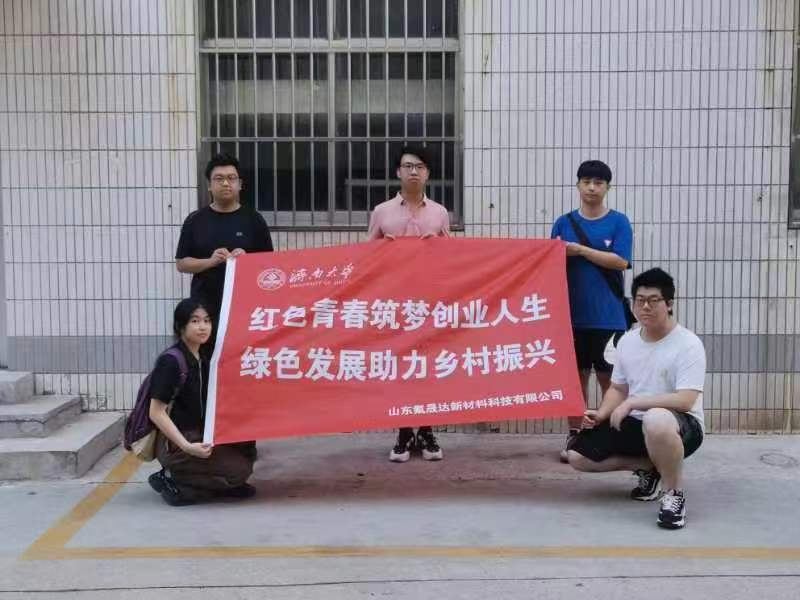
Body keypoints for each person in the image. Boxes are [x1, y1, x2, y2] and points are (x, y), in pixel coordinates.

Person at [566, 268, 706, 530]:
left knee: (656, 419)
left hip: (681, 427)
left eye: (653, 300)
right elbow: (618, 388)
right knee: (576, 455)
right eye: (640, 300)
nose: (645, 307)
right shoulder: (628, 341)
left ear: (669, 304)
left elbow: (685, 401)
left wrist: (632, 403)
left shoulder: (688, 344)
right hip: (638, 423)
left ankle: (673, 495)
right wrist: (602, 413)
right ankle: (651, 467)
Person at [367, 144, 450, 463]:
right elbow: (365, 257)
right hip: (394, 303)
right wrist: (383, 249)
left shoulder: (439, 212)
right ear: (398, 172)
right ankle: (404, 431)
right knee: (400, 366)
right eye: (407, 166)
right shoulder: (382, 211)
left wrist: (438, 246)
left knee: (428, 367)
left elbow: (453, 258)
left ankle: (426, 430)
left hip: (429, 303)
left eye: (420, 166)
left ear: (428, 173)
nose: (413, 171)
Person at [550, 160, 633, 462]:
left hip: (609, 317)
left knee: (611, 380)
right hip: (571, 317)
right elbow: (548, 262)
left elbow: (621, 261)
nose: (592, 187)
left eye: (598, 182)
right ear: (578, 186)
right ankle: (577, 434)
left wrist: (581, 250)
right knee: (576, 379)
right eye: (586, 181)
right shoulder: (563, 223)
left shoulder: (619, 222)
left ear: (608, 188)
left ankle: (612, 434)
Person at [147, 298, 256, 506]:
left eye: (207, 321)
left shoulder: (203, 357)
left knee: (247, 450)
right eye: (195, 321)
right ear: (180, 326)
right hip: (178, 441)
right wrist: (187, 446)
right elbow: (156, 412)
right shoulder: (171, 361)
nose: (202, 327)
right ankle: (172, 477)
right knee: (239, 471)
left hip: (200, 432)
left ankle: (216, 481)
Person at [176, 153, 274, 326]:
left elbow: (270, 265)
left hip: (246, 305)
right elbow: (182, 264)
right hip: (205, 308)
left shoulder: (254, 220)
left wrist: (247, 261)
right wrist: (211, 261)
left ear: (240, 184)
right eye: (219, 178)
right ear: (209, 185)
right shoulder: (195, 220)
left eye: (231, 178)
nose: (226, 183)